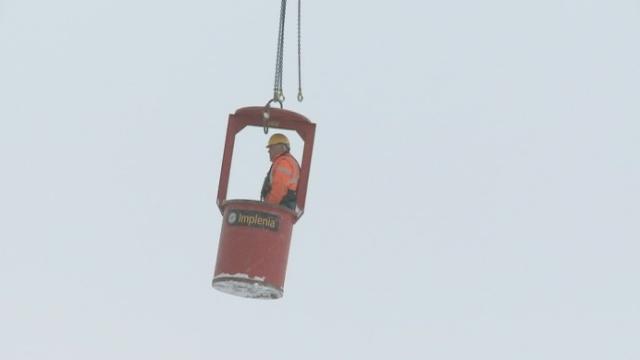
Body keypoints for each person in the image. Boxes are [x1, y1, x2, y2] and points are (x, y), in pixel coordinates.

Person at [261, 133, 300, 210]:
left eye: (271, 147)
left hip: (280, 207)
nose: (269, 151)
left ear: (282, 147)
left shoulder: (284, 163)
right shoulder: (284, 161)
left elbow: (279, 189)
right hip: (282, 206)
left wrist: (266, 207)